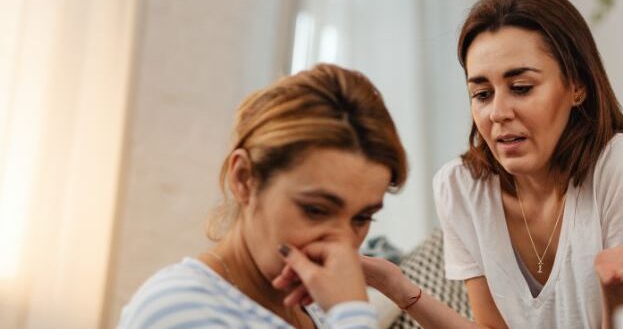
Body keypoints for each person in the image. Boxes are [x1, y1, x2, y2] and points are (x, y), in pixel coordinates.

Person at [359, 0, 623, 329]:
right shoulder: (460, 187)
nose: (498, 113)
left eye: (521, 88)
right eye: (482, 94)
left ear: (577, 86)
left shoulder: (622, 167)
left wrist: (617, 299)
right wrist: (396, 288)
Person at [117, 63, 408, 329]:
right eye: (315, 210)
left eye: (362, 217)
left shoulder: (312, 308)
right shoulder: (177, 310)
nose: (342, 246)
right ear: (244, 178)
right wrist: (353, 314)